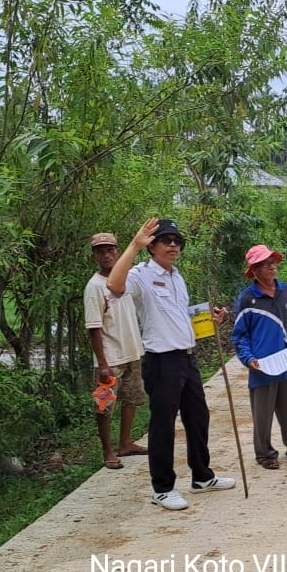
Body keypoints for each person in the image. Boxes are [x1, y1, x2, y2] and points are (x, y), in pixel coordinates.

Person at [107, 218, 235, 511]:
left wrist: (209, 321)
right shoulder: (141, 274)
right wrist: (134, 245)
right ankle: (162, 489)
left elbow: (180, 317)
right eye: (166, 240)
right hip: (162, 362)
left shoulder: (177, 276)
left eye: (177, 240)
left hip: (187, 359)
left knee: (198, 418)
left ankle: (202, 477)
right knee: (163, 426)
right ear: (152, 245)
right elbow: (115, 285)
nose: (173, 245)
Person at [232, 244, 287, 470]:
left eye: (273, 262)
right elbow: (240, 337)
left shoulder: (286, 292)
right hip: (262, 366)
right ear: (254, 270)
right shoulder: (247, 299)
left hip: (286, 363)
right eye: (264, 263)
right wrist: (249, 359)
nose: (271, 266)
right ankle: (265, 454)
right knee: (262, 414)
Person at [83, 233, 148, 470]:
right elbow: (93, 326)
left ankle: (126, 443)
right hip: (110, 358)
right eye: (100, 251)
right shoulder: (94, 287)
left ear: (118, 252)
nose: (106, 255)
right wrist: (102, 363)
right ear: (94, 257)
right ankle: (108, 451)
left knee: (131, 399)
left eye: (110, 250)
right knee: (104, 406)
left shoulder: (126, 280)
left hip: (132, 352)